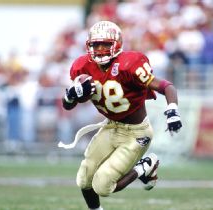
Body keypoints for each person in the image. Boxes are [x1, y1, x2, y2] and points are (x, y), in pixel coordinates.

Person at [59, 20, 182, 210]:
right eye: (96, 44)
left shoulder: (130, 64)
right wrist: (70, 96)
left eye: (105, 44)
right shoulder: (81, 67)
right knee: (84, 179)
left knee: (102, 185)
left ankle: (145, 166)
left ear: (116, 44)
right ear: (88, 45)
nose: (100, 49)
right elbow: (67, 106)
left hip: (136, 133)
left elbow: (166, 86)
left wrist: (172, 110)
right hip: (110, 127)